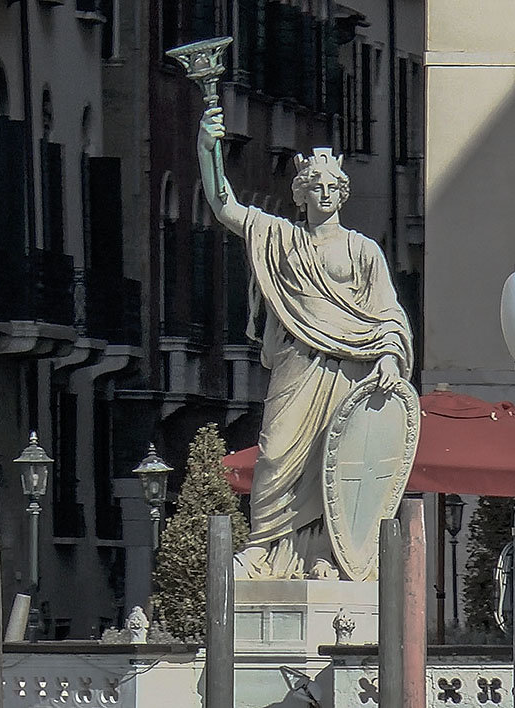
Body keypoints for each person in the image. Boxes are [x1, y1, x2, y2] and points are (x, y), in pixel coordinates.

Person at [197, 106, 414, 579]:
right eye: (316, 186)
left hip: (352, 368)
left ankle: (329, 553)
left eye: (333, 186)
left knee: (340, 460)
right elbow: (225, 208)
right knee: (276, 451)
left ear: (343, 192)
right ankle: (265, 545)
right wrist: (208, 149)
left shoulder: (363, 250)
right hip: (297, 363)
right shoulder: (280, 237)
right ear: (301, 193)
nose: (326, 193)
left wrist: (392, 358)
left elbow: (389, 312)